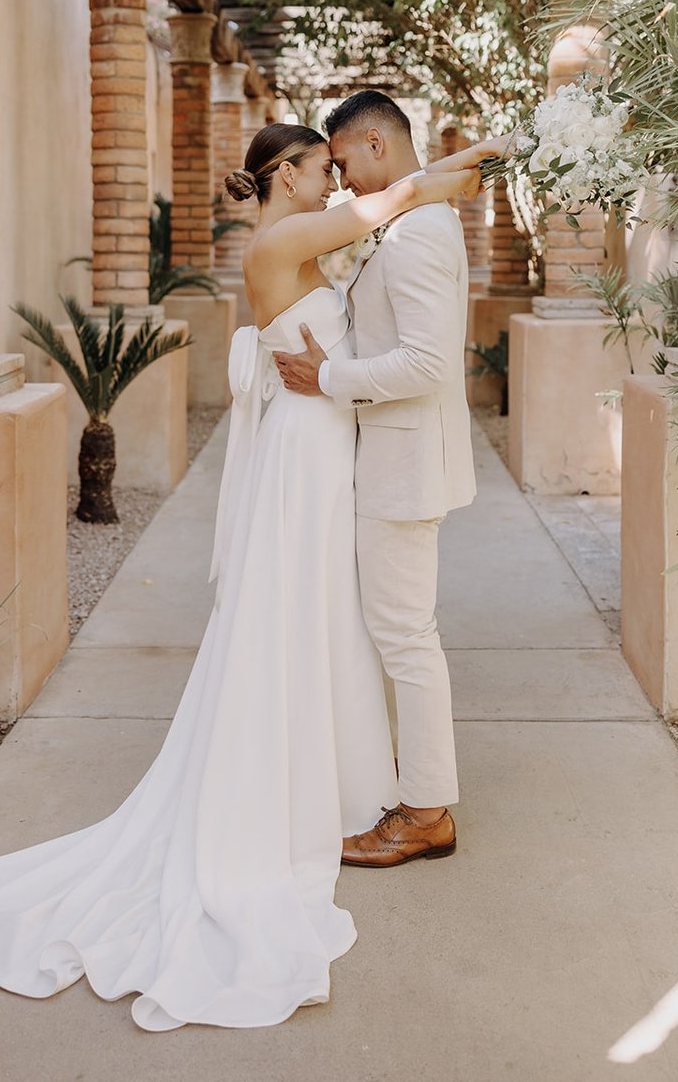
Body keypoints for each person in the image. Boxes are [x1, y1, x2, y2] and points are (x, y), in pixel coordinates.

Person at [0, 120, 492, 1032]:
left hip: (324, 445)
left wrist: (452, 169)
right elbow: (390, 199)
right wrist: (450, 173)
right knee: (300, 614)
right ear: (285, 173)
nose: (333, 182)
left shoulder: (304, 234)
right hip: (308, 452)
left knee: (329, 619)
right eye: (322, 167)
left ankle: (340, 784)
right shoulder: (282, 240)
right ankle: (298, 790)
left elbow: (386, 199)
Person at [274, 92, 487, 869]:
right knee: (400, 633)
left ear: (373, 144)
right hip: (390, 458)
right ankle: (414, 796)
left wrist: (330, 377)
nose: (338, 181)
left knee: (405, 637)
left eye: (341, 162)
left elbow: (429, 363)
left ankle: (426, 812)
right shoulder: (405, 220)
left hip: (403, 465)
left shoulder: (413, 237)